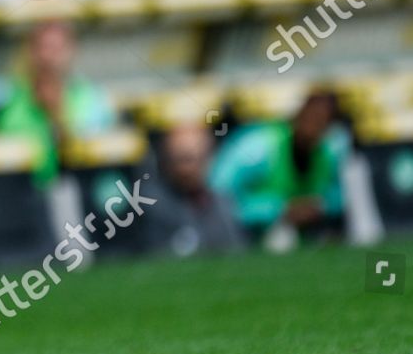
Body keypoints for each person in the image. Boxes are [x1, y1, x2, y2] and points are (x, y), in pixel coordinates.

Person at [0, 20, 118, 188]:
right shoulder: (7, 92)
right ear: (30, 51)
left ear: (72, 50)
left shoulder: (90, 98)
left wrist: (56, 112)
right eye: (42, 48)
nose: (47, 57)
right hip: (14, 192)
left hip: (74, 192)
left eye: (56, 49)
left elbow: (84, 154)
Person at [211, 91, 348, 246]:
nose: (314, 128)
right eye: (312, 119)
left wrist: (320, 206)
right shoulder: (258, 147)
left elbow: (342, 196)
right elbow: (217, 194)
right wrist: (278, 209)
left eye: (323, 123)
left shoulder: (330, 150)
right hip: (245, 233)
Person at [142, 122, 245, 257]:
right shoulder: (150, 205)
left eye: (199, 158)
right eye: (183, 159)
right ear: (166, 160)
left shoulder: (223, 202)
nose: (189, 169)